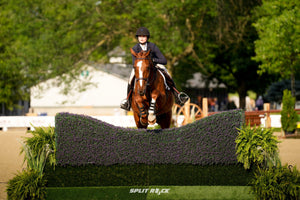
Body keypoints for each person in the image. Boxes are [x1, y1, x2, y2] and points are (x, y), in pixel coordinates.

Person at [120, 27, 189, 111]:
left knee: (167, 74)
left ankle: (177, 95)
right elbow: (134, 62)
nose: (142, 38)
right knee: (130, 79)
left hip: (155, 66)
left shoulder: (152, 46)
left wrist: (153, 60)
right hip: (140, 68)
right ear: (137, 37)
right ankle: (128, 101)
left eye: (144, 36)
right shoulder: (135, 48)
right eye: (140, 36)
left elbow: (164, 60)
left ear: (147, 37)